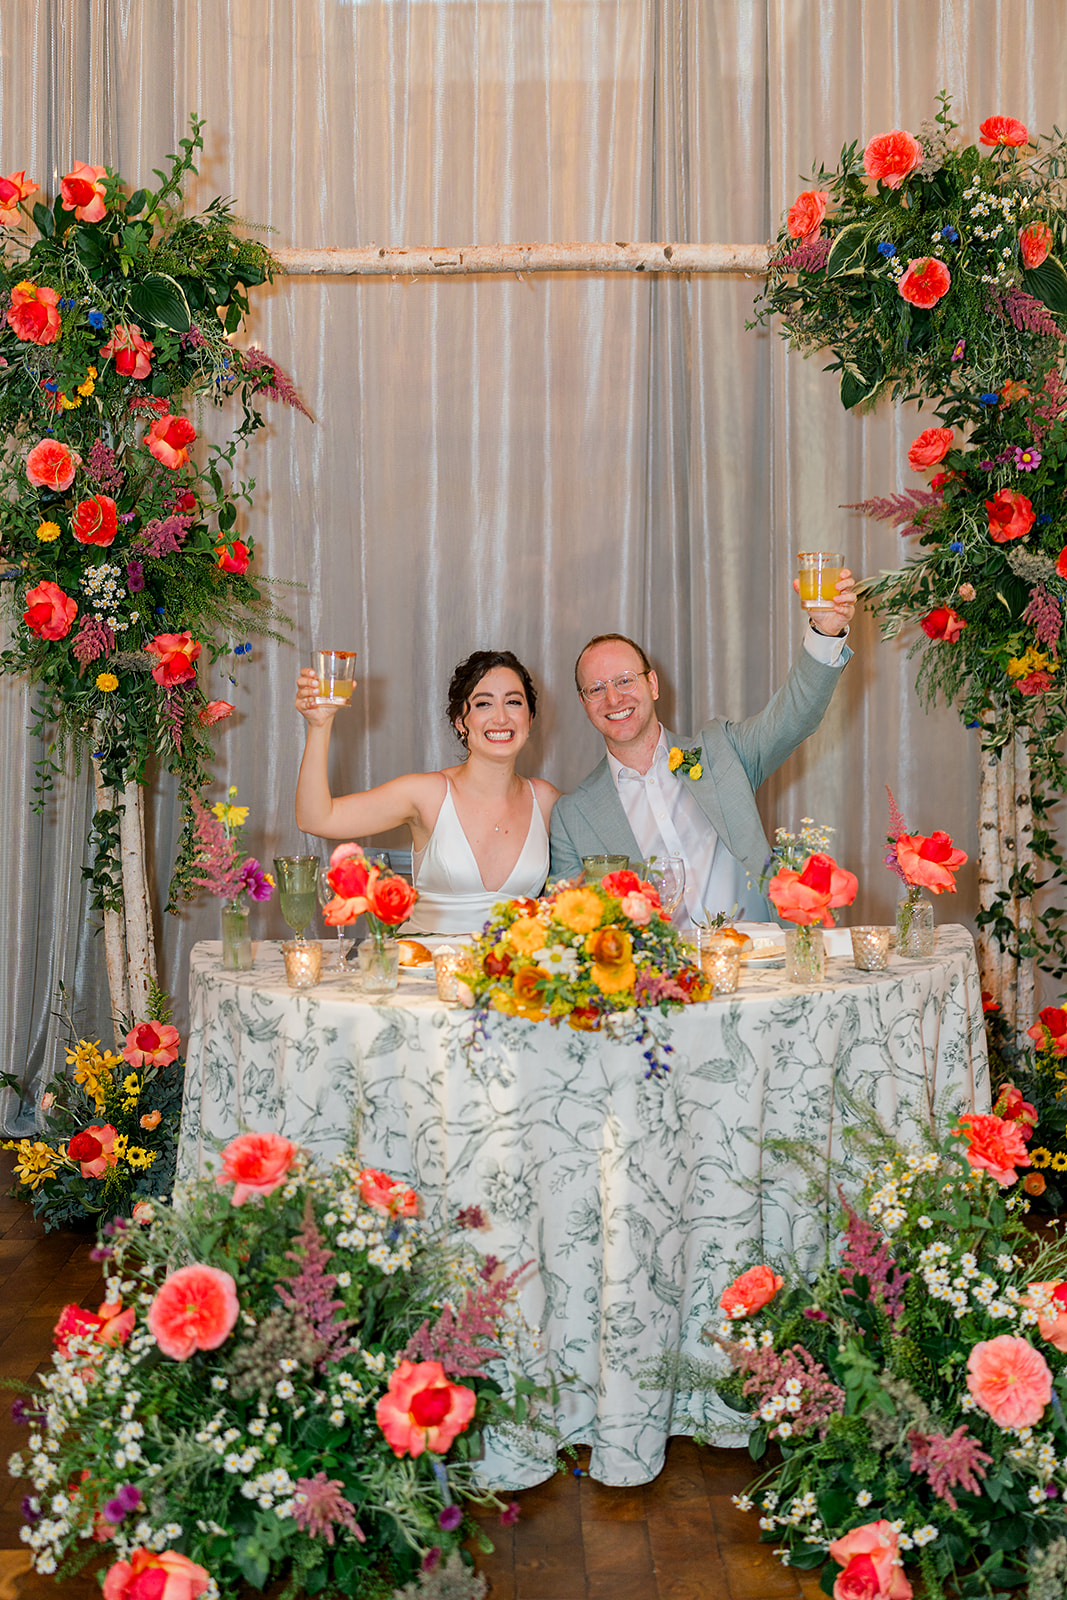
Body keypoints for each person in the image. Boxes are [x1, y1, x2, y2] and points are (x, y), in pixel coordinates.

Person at [549, 573, 857, 923]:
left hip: (758, 960)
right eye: (596, 689)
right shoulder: (571, 817)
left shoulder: (722, 751)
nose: (614, 698)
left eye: (624, 680)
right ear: (583, 702)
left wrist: (825, 632)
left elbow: (794, 716)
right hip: (658, 975)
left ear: (652, 684)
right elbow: (569, 921)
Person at [295, 649, 559, 935]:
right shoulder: (427, 794)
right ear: (461, 722)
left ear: (529, 719)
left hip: (511, 973)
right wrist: (319, 726)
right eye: (484, 704)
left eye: (514, 702)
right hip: (423, 968)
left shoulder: (545, 800)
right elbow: (316, 818)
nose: (501, 717)